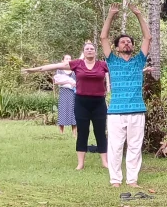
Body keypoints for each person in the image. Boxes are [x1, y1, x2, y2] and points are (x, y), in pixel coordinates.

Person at [23, 42, 108, 170]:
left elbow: (121, 69)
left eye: (92, 49)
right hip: (81, 103)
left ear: (95, 52)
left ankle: (105, 162)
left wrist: (141, 70)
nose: (90, 50)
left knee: (100, 132)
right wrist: (34, 70)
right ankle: (80, 163)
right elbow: (54, 66)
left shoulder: (102, 65)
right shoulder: (77, 64)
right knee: (82, 132)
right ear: (83, 52)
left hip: (99, 103)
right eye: (87, 49)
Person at [100, 2, 151, 188]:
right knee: (115, 147)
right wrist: (111, 15)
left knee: (135, 147)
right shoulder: (112, 61)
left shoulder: (139, 61)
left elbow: (148, 37)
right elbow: (103, 37)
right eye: (122, 42)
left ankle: (132, 180)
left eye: (129, 41)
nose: (126, 43)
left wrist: (138, 14)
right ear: (117, 47)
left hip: (137, 110)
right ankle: (115, 180)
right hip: (115, 111)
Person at [54, 56, 77, 134]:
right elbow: (56, 82)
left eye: (70, 59)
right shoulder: (59, 70)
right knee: (62, 111)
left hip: (73, 93)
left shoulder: (74, 70)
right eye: (66, 59)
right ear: (63, 60)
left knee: (74, 112)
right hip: (63, 92)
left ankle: (74, 134)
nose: (68, 60)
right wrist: (68, 82)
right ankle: (61, 133)